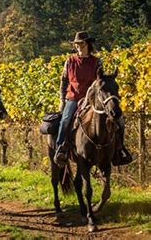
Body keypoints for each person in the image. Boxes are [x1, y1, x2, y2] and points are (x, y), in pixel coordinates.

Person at [54, 31, 132, 167]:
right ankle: (61, 149)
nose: (78, 46)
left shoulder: (96, 61)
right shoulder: (70, 61)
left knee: (120, 121)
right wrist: (62, 100)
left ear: (87, 44)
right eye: (76, 44)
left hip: (92, 98)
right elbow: (64, 81)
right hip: (73, 98)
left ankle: (119, 150)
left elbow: (100, 80)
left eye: (81, 43)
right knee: (65, 120)